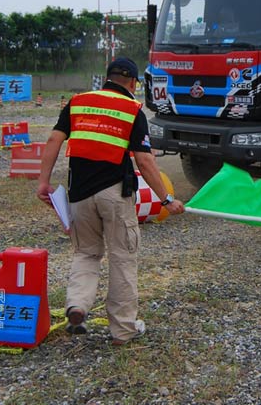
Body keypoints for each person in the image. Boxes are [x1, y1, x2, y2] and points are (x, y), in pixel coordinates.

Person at [36, 57, 184, 344]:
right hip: (114, 194)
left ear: (108, 77)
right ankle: (123, 330)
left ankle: (77, 304)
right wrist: (166, 200)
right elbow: (144, 159)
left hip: (78, 195)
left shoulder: (78, 102)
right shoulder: (131, 109)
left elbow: (54, 140)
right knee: (123, 258)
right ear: (131, 83)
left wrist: (43, 182)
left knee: (86, 254)